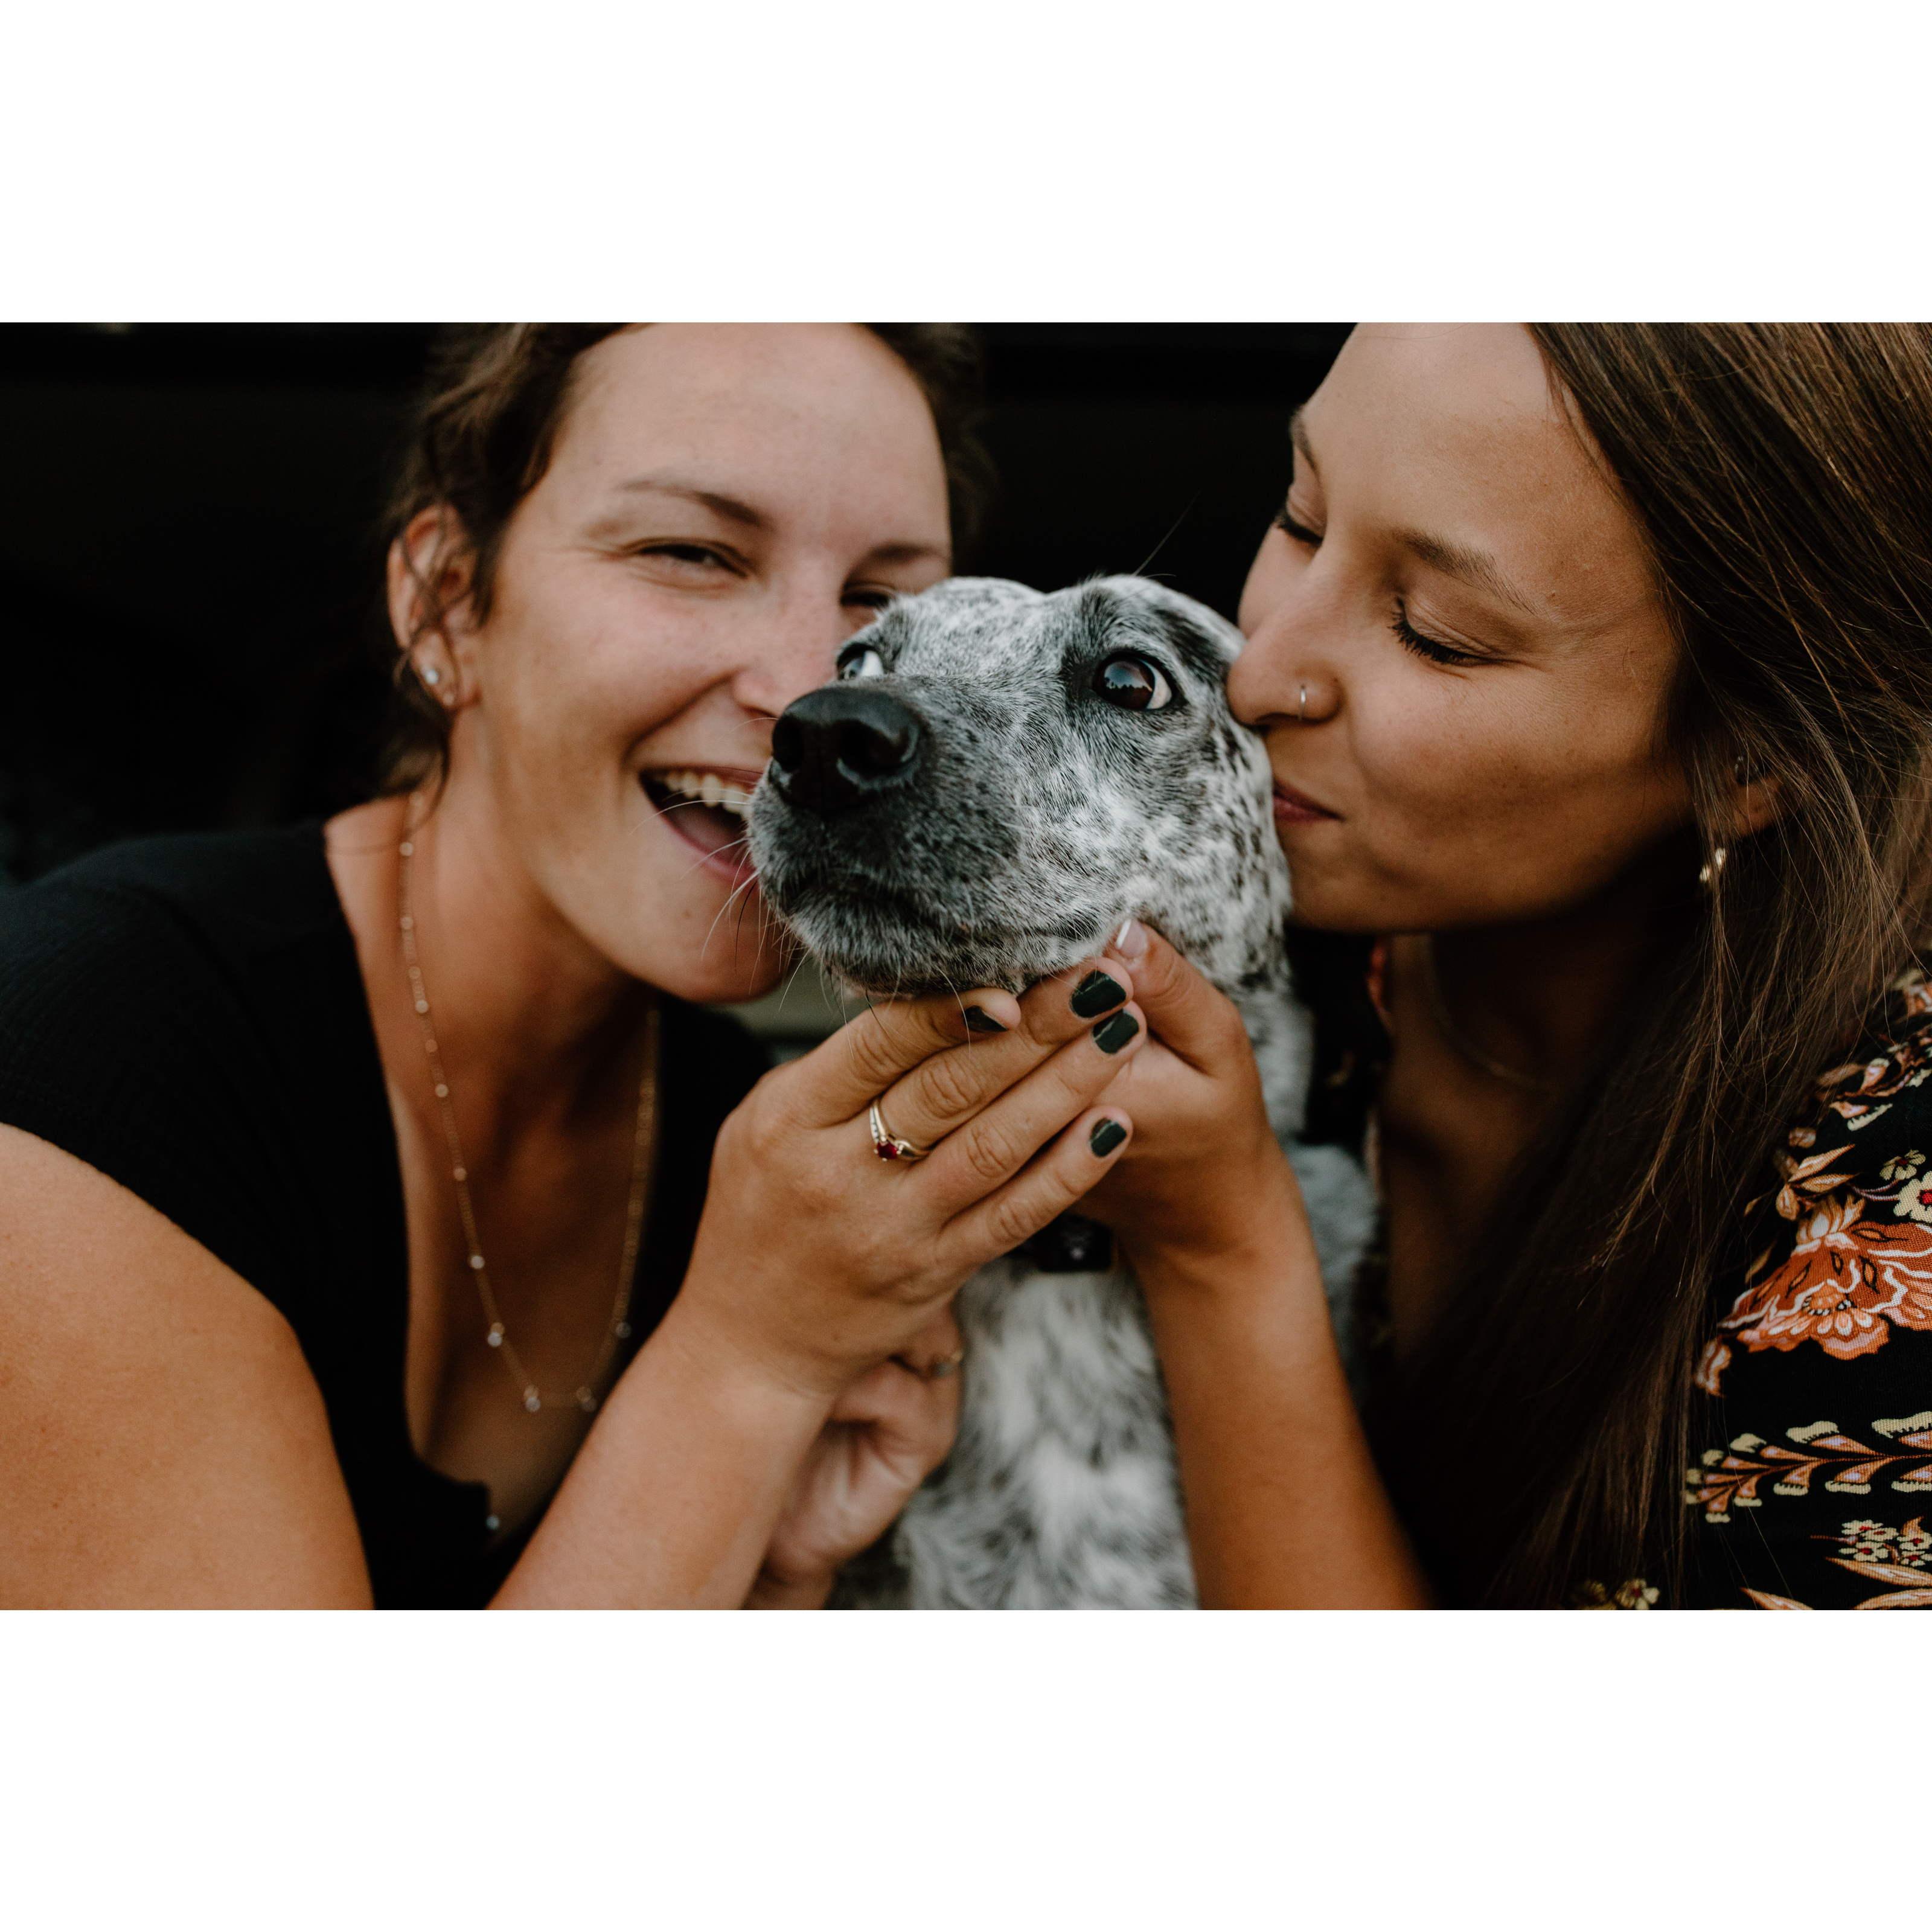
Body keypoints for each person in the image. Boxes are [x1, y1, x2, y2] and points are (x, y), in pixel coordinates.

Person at [0, 323, 1154, 1608]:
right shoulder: (95, 1046)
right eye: (693, 554)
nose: (810, 689)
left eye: (884, 606)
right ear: (447, 600)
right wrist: (754, 1356)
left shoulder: (759, 1143)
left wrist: (783, 1570)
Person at [1078, 322, 1932, 1607]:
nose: (1259, 673)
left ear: (1754, 761)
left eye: (1436, 633)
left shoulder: (1888, 1218)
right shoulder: (1239, 916)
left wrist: (1218, 1253)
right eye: (1302, 516)